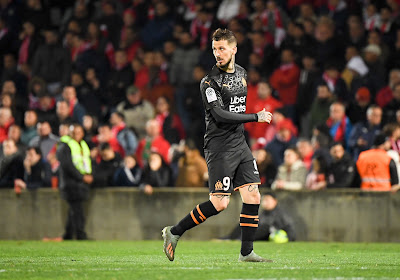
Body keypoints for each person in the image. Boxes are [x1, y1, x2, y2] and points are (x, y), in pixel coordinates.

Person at [162, 29, 273, 263]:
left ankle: (246, 253)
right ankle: (174, 232)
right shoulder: (209, 81)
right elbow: (221, 115)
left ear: (234, 49)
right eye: (214, 49)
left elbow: (236, 109)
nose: (217, 53)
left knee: (253, 196)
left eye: (222, 48)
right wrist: (256, 117)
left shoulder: (242, 73)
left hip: (239, 144)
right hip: (219, 147)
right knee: (220, 203)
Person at [56, 123, 93, 240]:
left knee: (74, 210)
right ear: (69, 133)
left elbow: (86, 162)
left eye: (79, 132)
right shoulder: (64, 146)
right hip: (70, 183)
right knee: (77, 211)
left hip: (80, 183)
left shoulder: (83, 145)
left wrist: (89, 175)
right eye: (74, 132)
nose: (77, 135)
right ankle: (81, 235)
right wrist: (82, 177)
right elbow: (67, 166)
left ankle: (68, 235)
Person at [222, 193, 296, 242]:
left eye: (267, 200)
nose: (265, 202)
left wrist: (289, 238)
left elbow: (289, 228)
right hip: (261, 234)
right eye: (263, 200)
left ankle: (241, 239)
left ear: (274, 201)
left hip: (273, 235)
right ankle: (230, 238)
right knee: (245, 221)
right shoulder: (263, 213)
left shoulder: (281, 214)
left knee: (264, 227)